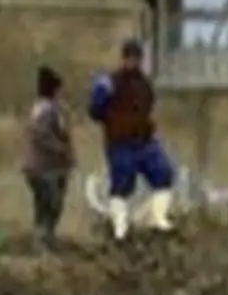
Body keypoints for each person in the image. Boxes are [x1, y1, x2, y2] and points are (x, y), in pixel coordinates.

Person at [88, 39, 176, 241]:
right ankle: (120, 229)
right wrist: (112, 120)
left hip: (144, 140)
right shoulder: (110, 83)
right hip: (120, 142)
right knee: (122, 183)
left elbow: (148, 106)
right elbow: (95, 111)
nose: (133, 62)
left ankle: (157, 218)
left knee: (163, 173)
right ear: (124, 58)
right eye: (130, 58)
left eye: (136, 58)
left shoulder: (144, 84)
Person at [21, 65, 76, 250]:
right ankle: (43, 240)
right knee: (50, 204)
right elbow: (41, 136)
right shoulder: (47, 110)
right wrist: (61, 150)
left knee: (46, 204)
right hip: (45, 167)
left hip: (45, 167)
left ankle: (45, 239)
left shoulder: (47, 108)